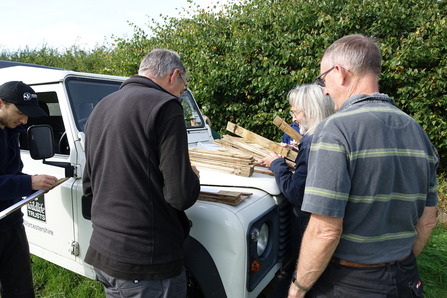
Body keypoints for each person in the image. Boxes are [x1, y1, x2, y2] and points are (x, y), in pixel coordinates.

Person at [288, 34, 439, 298]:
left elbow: (325, 231)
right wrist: (395, 262)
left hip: (348, 284)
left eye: (323, 79)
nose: (323, 89)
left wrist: (297, 290)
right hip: (406, 279)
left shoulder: (334, 130)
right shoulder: (417, 131)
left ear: (340, 73)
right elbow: (427, 222)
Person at [83, 49, 201, 298]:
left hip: (104, 253)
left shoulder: (101, 107)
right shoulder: (166, 106)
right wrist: (191, 176)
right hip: (147, 263)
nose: (181, 92)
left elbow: (89, 186)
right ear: (174, 75)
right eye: (183, 86)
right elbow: (180, 196)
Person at [259, 84, 335, 257]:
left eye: (295, 113)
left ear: (310, 111)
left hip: (310, 224)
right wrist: (296, 152)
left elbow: (296, 193)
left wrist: (277, 163)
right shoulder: (332, 136)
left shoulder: (310, 143)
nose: (294, 119)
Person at [0, 81, 58, 298]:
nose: (24, 120)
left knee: (21, 289)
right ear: (1, 104)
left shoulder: (11, 130)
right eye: (20, 112)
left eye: (28, 115)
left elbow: (11, 174)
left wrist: (36, 182)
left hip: (12, 222)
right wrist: (28, 183)